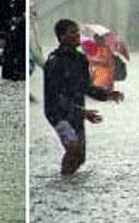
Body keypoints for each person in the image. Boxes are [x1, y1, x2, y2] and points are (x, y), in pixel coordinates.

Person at [43, 18, 123, 176]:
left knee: (80, 157)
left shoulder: (80, 59)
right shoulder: (54, 61)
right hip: (58, 113)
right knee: (73, 148)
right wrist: (81, 112)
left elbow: (85, 86)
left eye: (77, 32)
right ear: (61, 37)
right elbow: (56, 96)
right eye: (72, 32)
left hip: (77, 111)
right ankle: (63, 183)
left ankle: (66, 180)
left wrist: (106, 94)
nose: (77, 35)